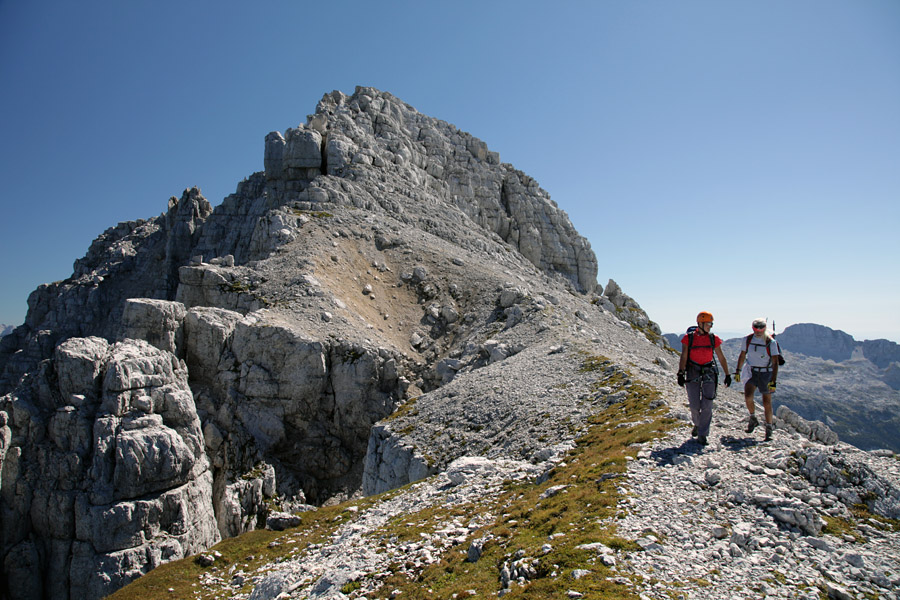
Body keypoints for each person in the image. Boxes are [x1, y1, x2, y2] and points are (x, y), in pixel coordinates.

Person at [677, 311, 731, 445]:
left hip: (709, 371)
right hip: (693, 371)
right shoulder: (688, 338)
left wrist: (727, 374)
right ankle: (697, 424)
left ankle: (703, 434)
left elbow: (721, 357)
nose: (710, 326)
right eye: (708, 324)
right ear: (700, 323)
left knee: (707, 404)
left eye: (711, 324)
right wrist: (680, 373)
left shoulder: (714, 338)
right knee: (694, 405)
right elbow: (684, 356)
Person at [734, 317, 781, 441]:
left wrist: (773, 381)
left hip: (766, 373)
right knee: (748, 396)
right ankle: (753, 418)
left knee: (767, 402)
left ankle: (769, 428)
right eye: (756, 328)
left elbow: (775, 362)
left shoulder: (771, 342)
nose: (758, 331)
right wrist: (738, 371)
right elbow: (742, 354)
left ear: (765, 328)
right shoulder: (748, 340)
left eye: (761, 328)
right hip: (752, 371)